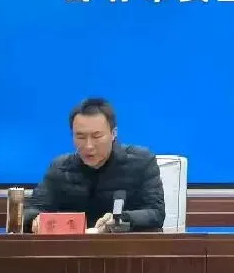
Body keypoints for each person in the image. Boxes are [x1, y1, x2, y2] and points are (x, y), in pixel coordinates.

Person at [23, 97, 165, 233]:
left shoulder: (141, 161)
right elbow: (31, 210)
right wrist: (35, 220)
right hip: (72, 247)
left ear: (113, 133)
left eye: (97, 136)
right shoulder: (60, 168)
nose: (88, 146)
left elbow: (156, 213)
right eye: (80, 137)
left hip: (124, 246)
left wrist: (121, 219)